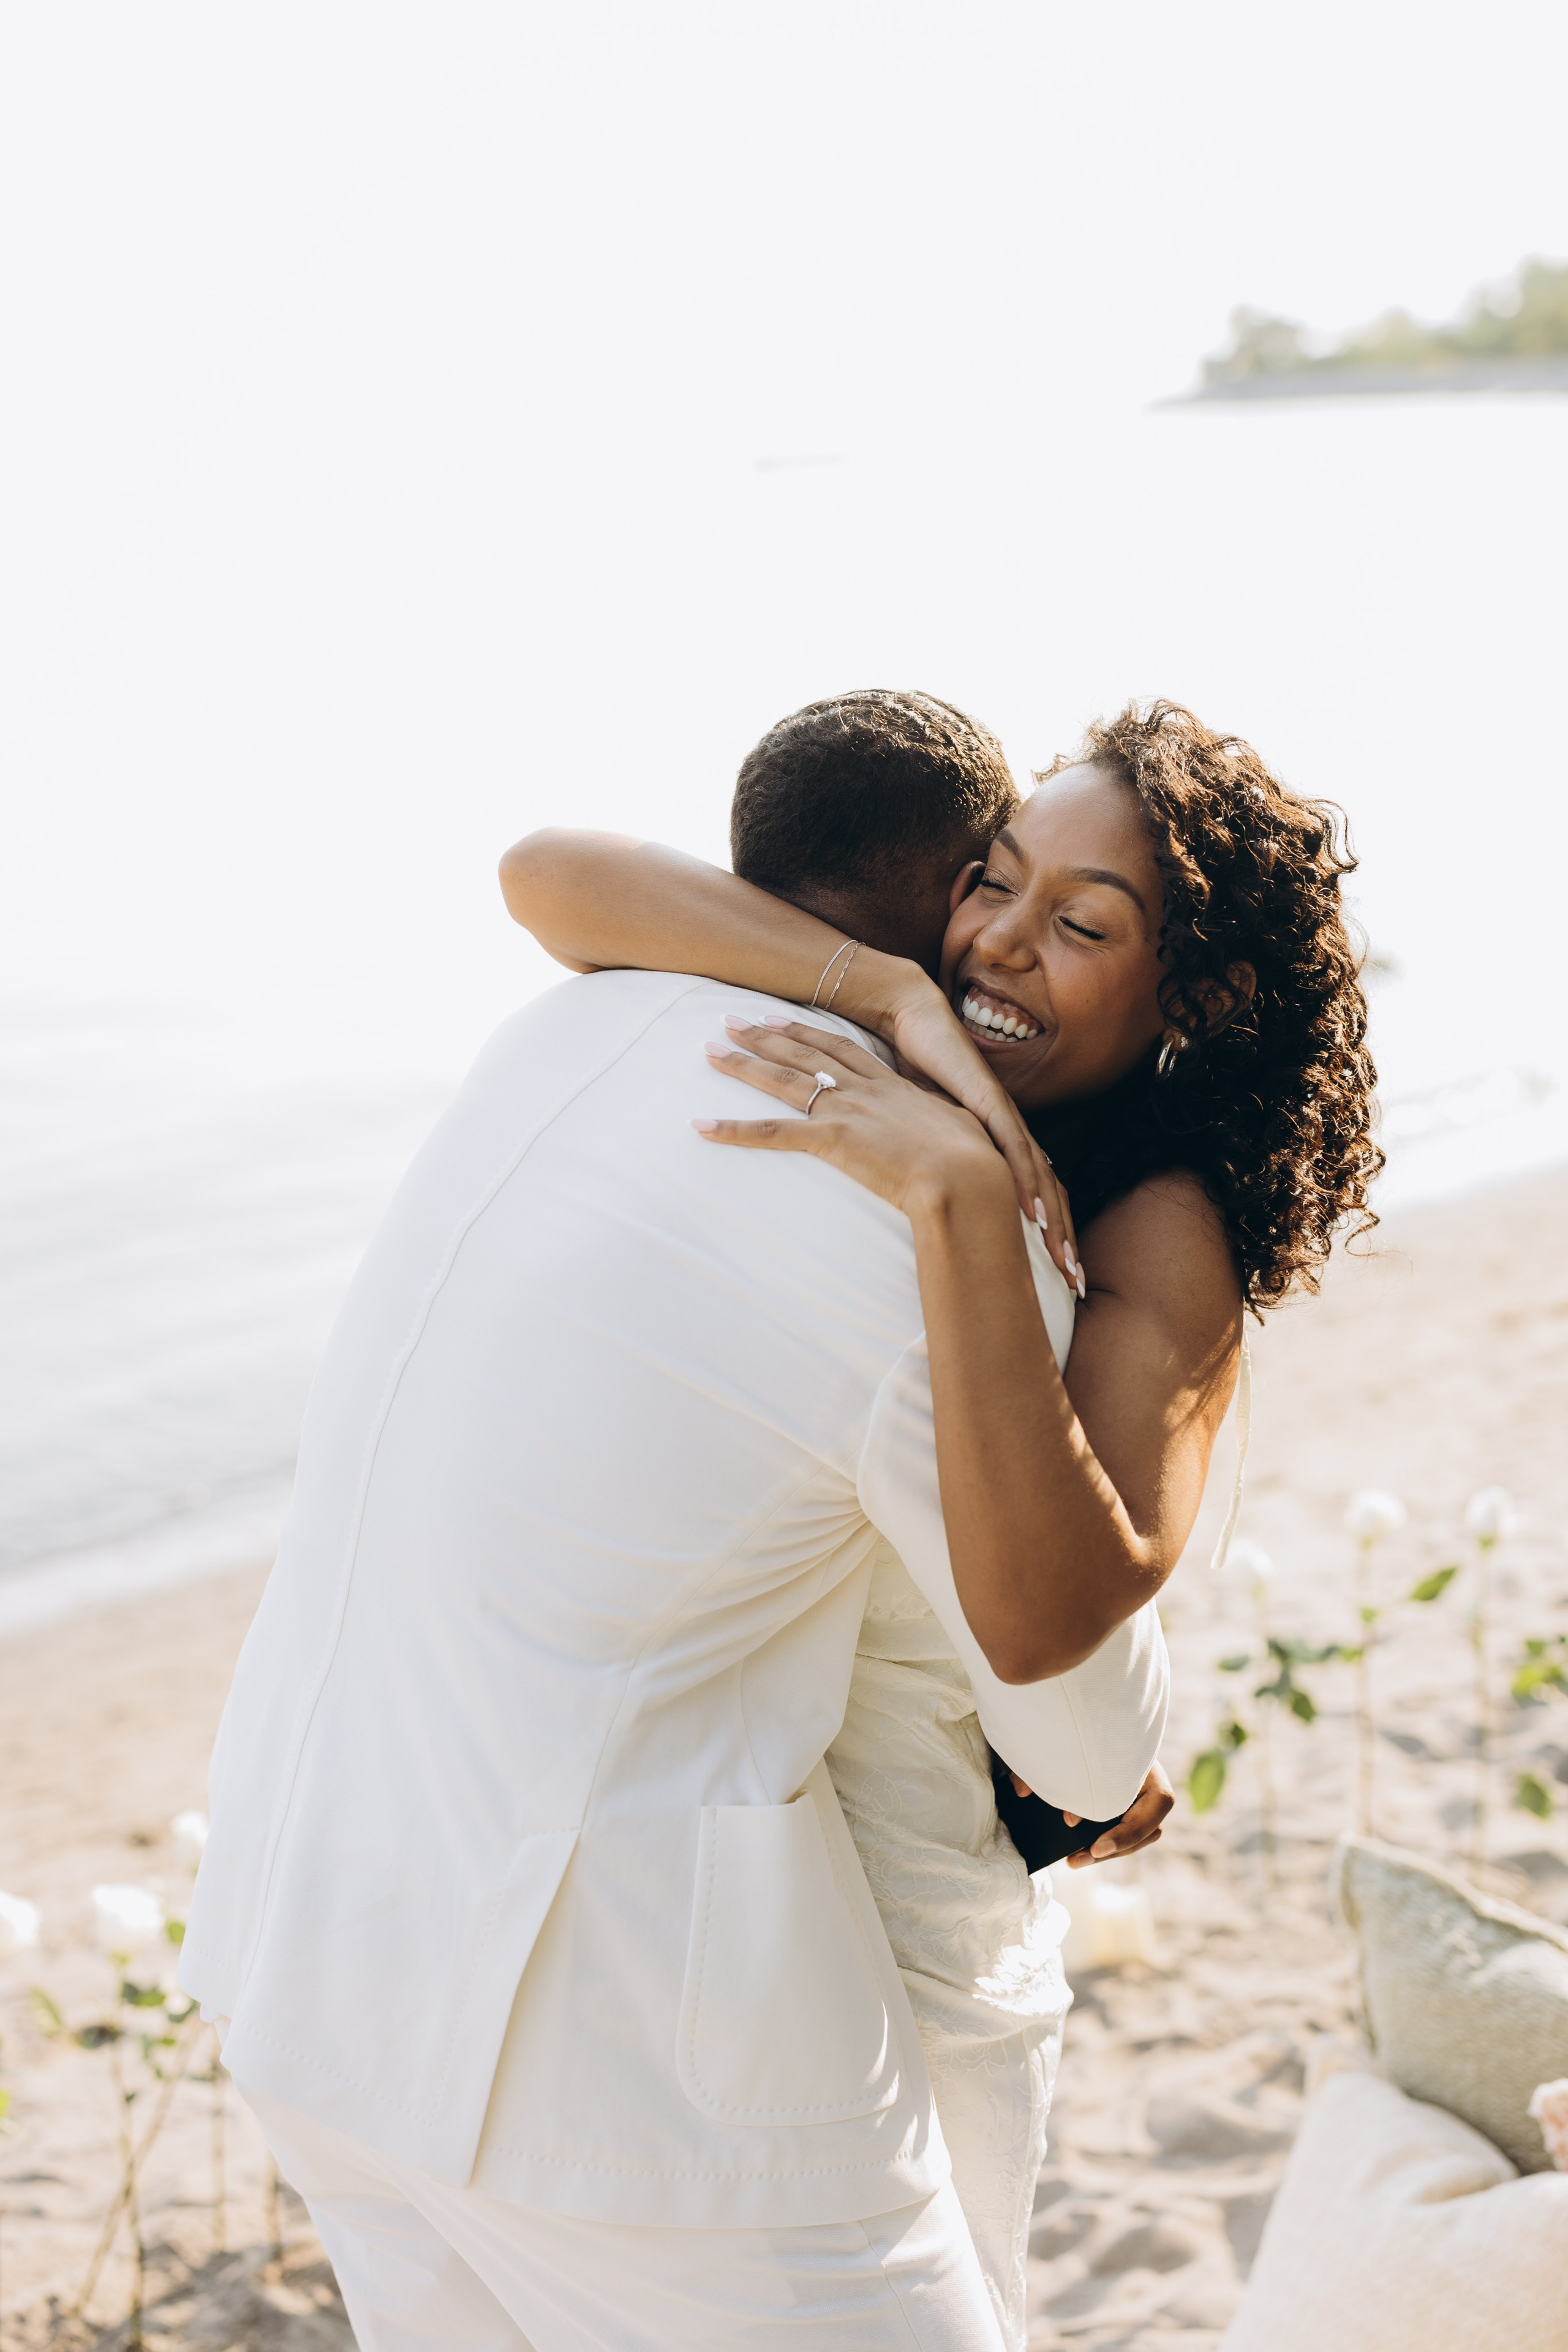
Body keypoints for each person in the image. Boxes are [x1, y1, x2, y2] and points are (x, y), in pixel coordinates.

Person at [179, 688, 1171, 2352]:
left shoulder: (559, 1026)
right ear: (948, 900)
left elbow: (557, 873)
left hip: (303, 1960)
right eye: (996, 887)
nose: (1002, 942)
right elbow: (1082, 1740)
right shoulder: (924, 1208)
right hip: (618, 2083)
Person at [499, 691, 1381, 2345]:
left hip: (923, 1948)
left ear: (1204, 998)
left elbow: (1061, 1619)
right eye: (996, 878)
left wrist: (963, 1199)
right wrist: (883, 985)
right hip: (755, 1900)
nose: (1002, 943)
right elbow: (549, 875)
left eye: (1084, 924)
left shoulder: (1161, 1220)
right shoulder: (926, 1034)